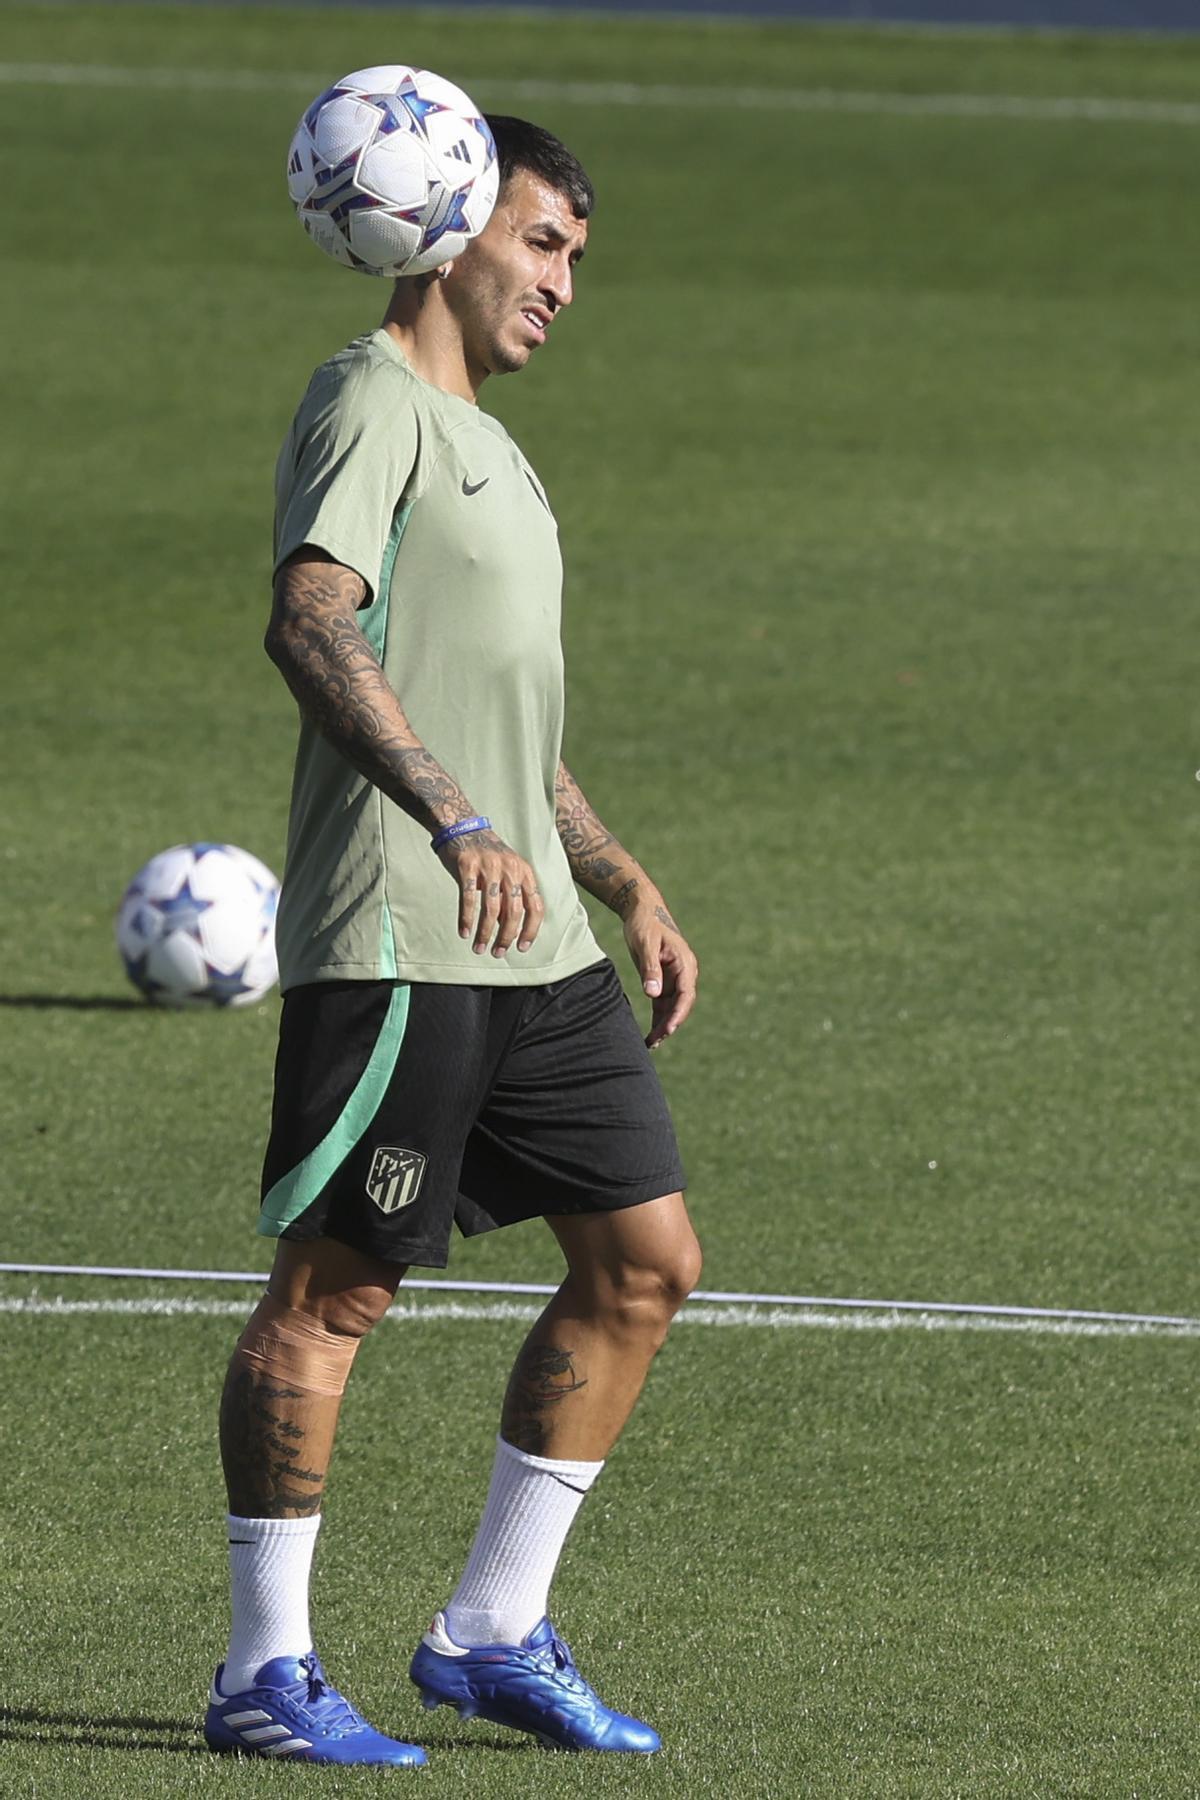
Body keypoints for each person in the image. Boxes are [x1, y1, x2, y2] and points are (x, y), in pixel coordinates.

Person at [203, 113, 701, 1768]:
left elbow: (504, 715)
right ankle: (262, 1675)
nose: (566, 283)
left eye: (576, 259)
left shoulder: (494, 443)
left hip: (540, 944)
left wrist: (616, 875)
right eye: (546, 243)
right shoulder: (371, 400)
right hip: (411, 932)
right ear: (449, 220)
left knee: (644, 1267)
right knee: (336, 1297)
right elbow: (313, 618)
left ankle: (491, 1631)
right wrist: (452, 820)